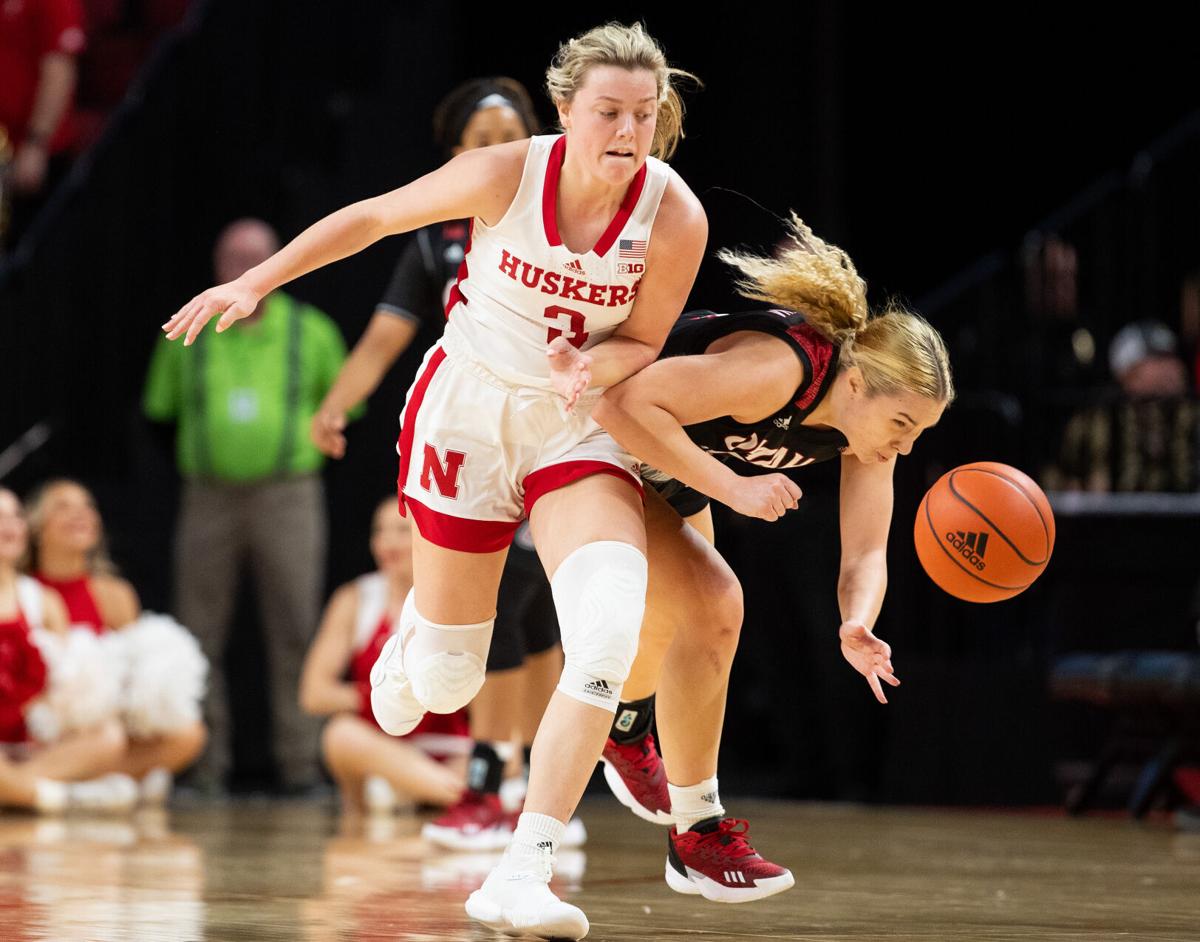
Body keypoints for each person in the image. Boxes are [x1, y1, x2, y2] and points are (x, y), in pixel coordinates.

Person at [163, 21, 707, 939]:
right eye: (609, 111)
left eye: (644, 116)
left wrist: (599, 372)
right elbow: (374, 216)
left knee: (608, 622)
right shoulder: (508, 172)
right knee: (449, 681)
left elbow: (648, 340)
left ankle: (523, 870)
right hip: (468, 409)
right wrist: (255, 282)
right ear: (567, 109)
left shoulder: (675, 213)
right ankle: (417, 640)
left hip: (574, 423)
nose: (627, 132)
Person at [591, 215, 952, 901]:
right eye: (903, 425)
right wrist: (733, 487)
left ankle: (631, 732)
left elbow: (867, 551)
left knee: (688, 624)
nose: (904, 448)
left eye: (921, 433)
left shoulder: (864, 435)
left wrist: (856, 621)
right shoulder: (779, 370)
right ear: (854, 384)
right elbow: (626, 402)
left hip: (668, 462)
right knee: (715, 603)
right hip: (597, 436)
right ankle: (697, 831)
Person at [310, 76, 569, 848]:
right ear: (456, 154)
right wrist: (336, 404)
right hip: (479, 427)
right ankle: (495, 787)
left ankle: (529, 790)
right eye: (483, 140)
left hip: (566, 422)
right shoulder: (435, 238)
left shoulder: (575, 214)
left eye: (511, 134)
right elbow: (387, 336)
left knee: (547, 607)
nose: (499, 150)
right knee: (508, 594)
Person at [144, 218, 357, 794]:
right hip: (208, 497)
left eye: (254, 257)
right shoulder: (190, 323)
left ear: (278, 264)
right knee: (199, 631)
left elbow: (343, 408)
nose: (240, 267)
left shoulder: (310, 331)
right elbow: (159, 410)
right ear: (215, 266)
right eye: (230, 256)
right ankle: (204, 766)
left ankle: (300, 767)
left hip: (288, 496)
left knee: (295, 627)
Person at [25, 479, 208, 801]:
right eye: (62, 507)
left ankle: (73, 784)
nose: (79, 515)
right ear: (37, 527)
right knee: (106, 740)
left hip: (102, 723)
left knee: (189, 734)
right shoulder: (26, 592)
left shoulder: (114, 594)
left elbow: (136, 673)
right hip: (41, 721)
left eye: (86, 507)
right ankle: (42, 783)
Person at [299, 497, 468, 815]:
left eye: (402, 531)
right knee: (340, 735)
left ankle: (444, 791)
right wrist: (387, 696)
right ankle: (465, 798)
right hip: (378, 748)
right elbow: (314, 694)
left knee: (498, 753)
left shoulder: (458, 594)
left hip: (448, 747)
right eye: (380, 531)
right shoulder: (355, 598)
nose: (388, 542)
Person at [0, 486, 138, 814]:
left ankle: (17, 787)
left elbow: (62, 683)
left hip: (27, 743)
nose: (9, 524)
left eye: (15, 516)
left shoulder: (41, 600)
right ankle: (55, 796)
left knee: (108, 737)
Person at [0, 0, 86, 250]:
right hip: (5, 148)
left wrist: (36, 143)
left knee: (30, 255)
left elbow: (59, 68)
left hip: (33, 154)